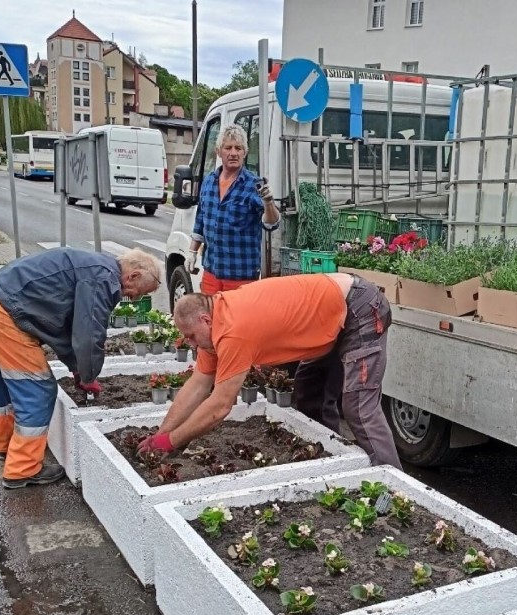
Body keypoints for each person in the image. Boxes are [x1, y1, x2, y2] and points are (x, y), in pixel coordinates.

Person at [139, 273, 402, 468]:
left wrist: (171, 442)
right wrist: (161, 435)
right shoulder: (212, 322)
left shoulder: (233, 331)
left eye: (192, 337)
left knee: (358, 406)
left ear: (205, 320)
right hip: (331, 316)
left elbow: (219, 406)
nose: (192, 345)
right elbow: (198, 385)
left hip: (360, 307)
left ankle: (393, 486)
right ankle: (330, 465)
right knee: (311, 390)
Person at [0, 247, 161, 489]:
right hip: (4, 314)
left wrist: (78, 370)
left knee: (3, 383)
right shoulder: (104, 278)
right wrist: (89, 375)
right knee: (38, 389)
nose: (133, 298)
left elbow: (69, 325)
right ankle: (21, 470)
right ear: (133, 275)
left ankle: (6, 447)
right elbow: (88, 332)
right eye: (137, 292)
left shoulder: (96, 267)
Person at [185, 123, 280, 295]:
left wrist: (268, 201)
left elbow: (271, 224)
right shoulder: (208, 182)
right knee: (210, 319)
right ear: (218, 151)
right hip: (211, 273)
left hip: (241, 278)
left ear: (245, 152)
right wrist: (192, 251)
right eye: (228, 148)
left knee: (237, 322)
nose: (233, 153)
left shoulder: (254, 185)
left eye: (238, 148)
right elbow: (200, 221)